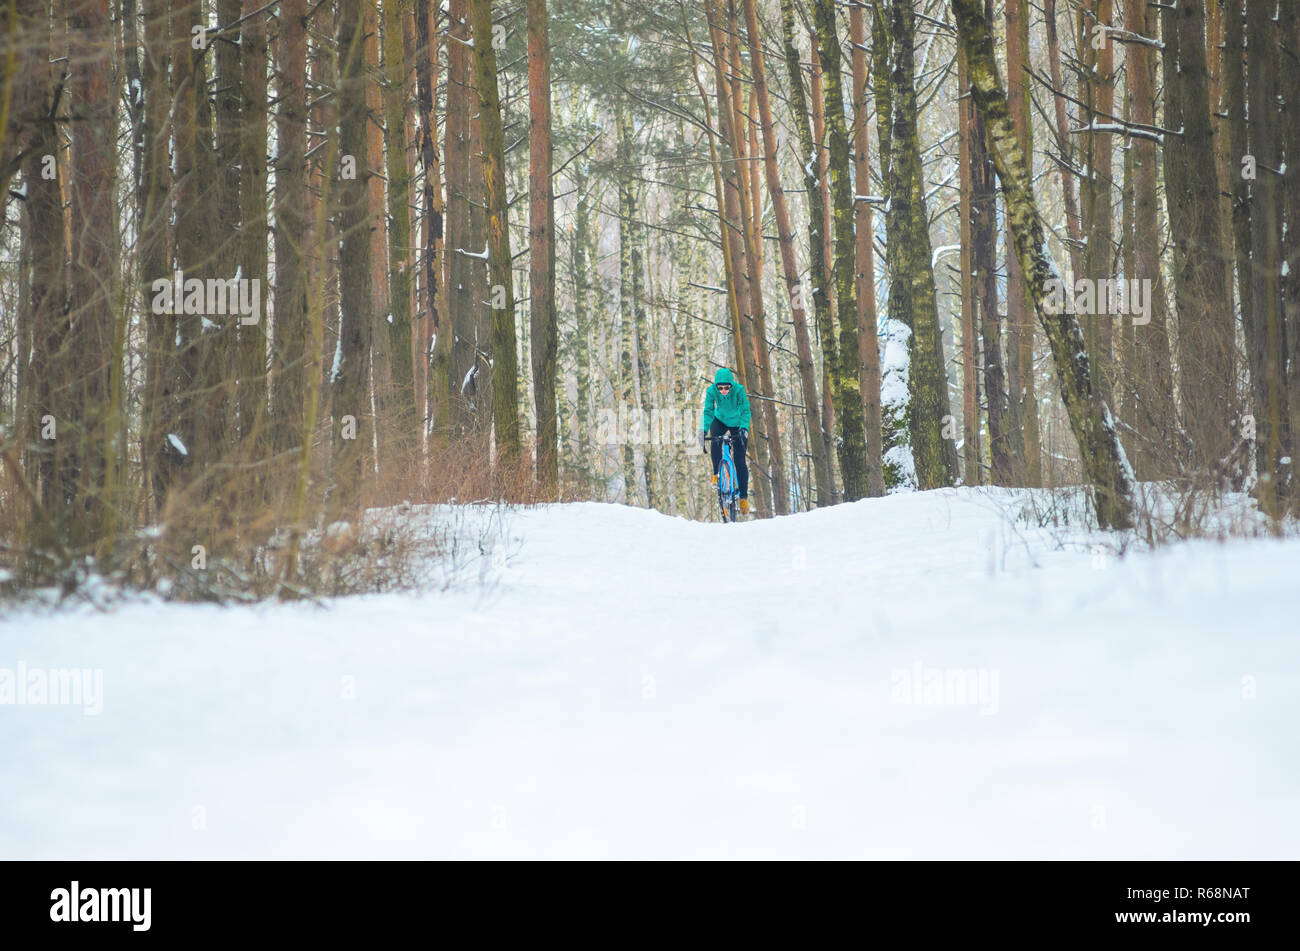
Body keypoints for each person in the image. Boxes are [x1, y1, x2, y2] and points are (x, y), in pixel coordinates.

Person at [697, 367, 751, 514]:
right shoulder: (711, 391)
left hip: (738, 423)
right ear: (716, 387)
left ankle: (743, 498)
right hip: (720, 420)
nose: (723, 390)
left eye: (726, 387)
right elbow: (708, 411)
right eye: (720, 388)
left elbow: (746, 410)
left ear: (731, 385)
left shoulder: (739, 390)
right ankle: (717, 474)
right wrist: (703, 430)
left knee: (739, 460)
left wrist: (744, 429)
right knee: (715, 442)